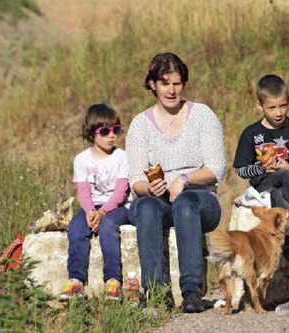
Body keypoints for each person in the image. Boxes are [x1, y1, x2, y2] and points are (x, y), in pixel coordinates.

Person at [126, 52, 225, 313]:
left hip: (199, 198)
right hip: (157, 199)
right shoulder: (140, 125)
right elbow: (135, 178)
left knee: (185, 202)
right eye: (165, 83)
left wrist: (184, 179)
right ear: (153, 85)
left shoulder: (202, 115)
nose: (171, 90)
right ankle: (157, 294)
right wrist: (149, 188)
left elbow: (216, 168)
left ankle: (192, 291)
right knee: (146, 206)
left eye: (177, 83)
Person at [233, 74, 289, 261]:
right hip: (264, 184)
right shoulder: (251, 133)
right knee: (281, 184)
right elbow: (241, 170)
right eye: (272, 108)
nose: (279, 112)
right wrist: (262, 168)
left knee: (287, 183)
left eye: (283, 106)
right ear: (260, 106)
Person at [59, 104, 132, 301]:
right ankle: (76, 279)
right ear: (92, 134)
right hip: (92, 208)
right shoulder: (81, 159)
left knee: (108, 227)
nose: (112, 135)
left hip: (119, 207)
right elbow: (83, 191)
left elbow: (120, 191)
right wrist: (91, 212)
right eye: (105, 131)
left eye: (116, 130)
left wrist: (102, 213)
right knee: (76, 228)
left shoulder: (121, 157)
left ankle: (113, 280)